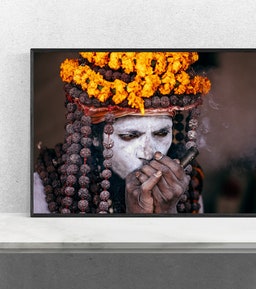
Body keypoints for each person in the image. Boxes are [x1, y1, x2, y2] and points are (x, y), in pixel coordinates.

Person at [34, 51, 211, 214]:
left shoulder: (184, 187)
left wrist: (167, 211)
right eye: (129, 136)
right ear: (95, 138)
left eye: (162, 133)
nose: (149, 152)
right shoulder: (41, 188)